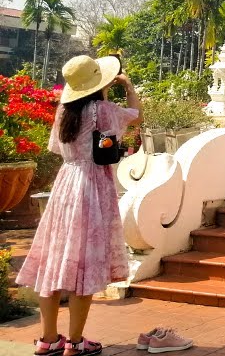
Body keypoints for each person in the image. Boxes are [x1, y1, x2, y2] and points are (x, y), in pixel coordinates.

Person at [18, 56, 142, 356]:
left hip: (65, 184)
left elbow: (57, 149)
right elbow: (136, 115)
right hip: (93, 187)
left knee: (54, 262)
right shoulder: (104, 110)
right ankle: (75, 342)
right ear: (100, 83)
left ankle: (48, 339)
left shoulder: (63, 111)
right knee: (83, 266)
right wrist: (126, 86)